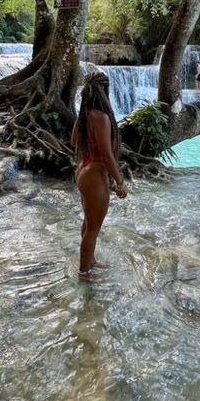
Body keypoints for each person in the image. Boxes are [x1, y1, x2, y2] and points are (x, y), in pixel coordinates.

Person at [71, 72, 127, 282]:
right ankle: (84, 272)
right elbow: (106, 155)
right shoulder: (101, 117)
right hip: (95, 174)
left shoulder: (85, 115)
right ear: (105, 90)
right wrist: (120, 182)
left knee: (88, 222)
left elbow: (74, 141)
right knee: (93, 228)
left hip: (83, 169)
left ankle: (90, 260)